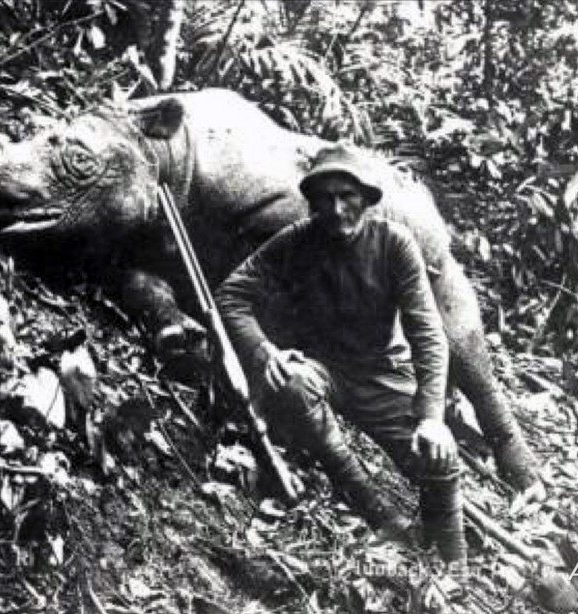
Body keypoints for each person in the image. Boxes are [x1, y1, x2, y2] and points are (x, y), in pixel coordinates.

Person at [215, 145, 524, 567]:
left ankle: (454, 566)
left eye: (348, 196)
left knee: (439, 458)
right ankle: (379, 514)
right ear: (312, 204)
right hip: (324, 369)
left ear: (368, 198)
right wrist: (262, 350)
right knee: (290, 386)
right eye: (324, 199)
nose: (337, 209)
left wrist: (432, 417)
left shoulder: (393, 244)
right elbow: (232, 293)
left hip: (382, 373)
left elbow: (428, 333)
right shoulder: (296, 241)